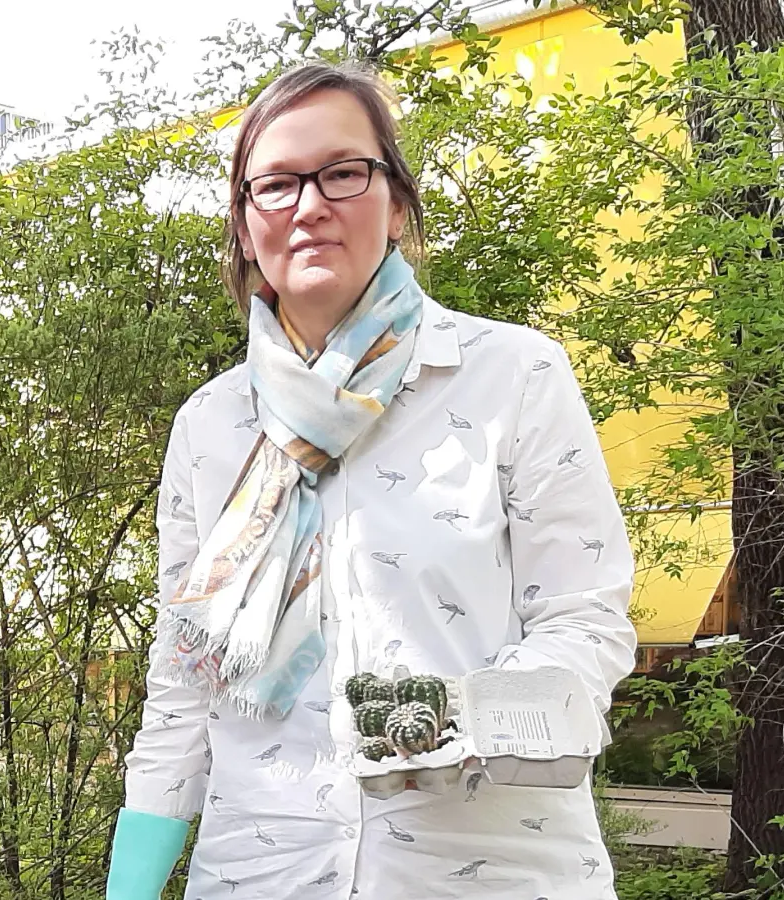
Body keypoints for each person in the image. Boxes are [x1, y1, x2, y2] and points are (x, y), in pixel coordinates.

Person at [105, 62, 636, 899]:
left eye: (341, 173)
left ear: (393, 202)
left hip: (490, 873)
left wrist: (454, 720)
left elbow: (583, 618)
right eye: (274, 184)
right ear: (245, 228)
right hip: (261, 873)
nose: (309, 205)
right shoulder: (210, 427)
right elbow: (184, 680)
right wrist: (129, 886)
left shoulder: (512, 375)